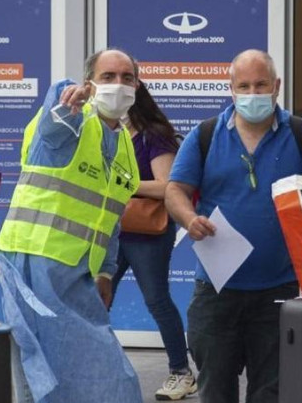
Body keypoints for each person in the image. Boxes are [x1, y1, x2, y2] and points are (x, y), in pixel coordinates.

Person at [165, 49, 302, 403]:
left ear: (276, 87)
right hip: (216, 291)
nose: (252, 93)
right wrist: (188, 217)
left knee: (272, 391)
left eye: (260, 85)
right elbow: (175, 191)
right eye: (243, 86)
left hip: (281, 289)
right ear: (230, 89)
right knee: (215, 389)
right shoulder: (205, 134)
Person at [0, 49, 142, 403]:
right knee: (41, 372)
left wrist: (106, 272)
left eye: (127, 78)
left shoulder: (123, 145)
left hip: (76, 276)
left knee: (87, 376)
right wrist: (64, 108)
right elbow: (51, 130)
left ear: (138, 86)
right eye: (108, 77)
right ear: (89, 84)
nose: (118, 85)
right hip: (33, 263)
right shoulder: (70, 120)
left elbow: (111, 219)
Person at [111, 80, 197, 400]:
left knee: (156, 300)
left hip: (147, 233)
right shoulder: (111, 134)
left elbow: (167, 187)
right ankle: (100, 367)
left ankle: (181, 372)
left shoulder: (154, 134)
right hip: (113, 229)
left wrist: (124, 185)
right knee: (96, 299)